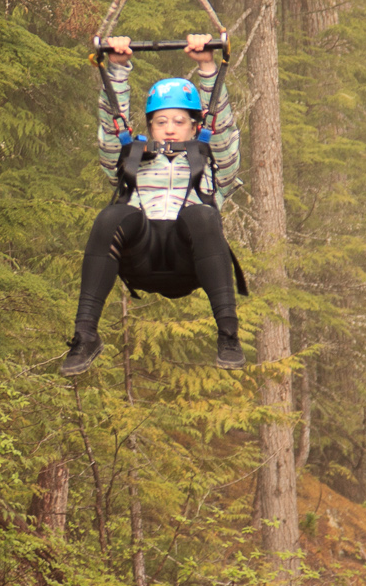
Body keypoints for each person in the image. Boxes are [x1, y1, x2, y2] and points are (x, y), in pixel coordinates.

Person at [62, 33, 245, 376]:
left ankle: (228, 334)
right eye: (162, 122)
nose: (171, 130)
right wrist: (115, 68)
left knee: (202, 214)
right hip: (140, 257)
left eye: (179, 122)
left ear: (195, 127)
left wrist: (208, 66)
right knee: (113, 213)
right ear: (150, 127)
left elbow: (223, 129)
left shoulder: (212, 166)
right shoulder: (132, 159)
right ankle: (85, 334)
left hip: (189, 258)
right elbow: (111, 123)